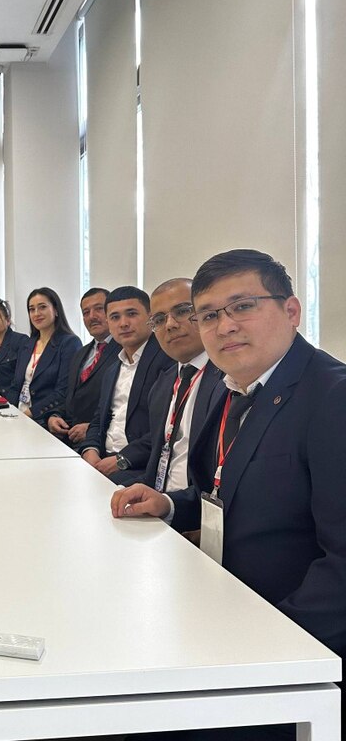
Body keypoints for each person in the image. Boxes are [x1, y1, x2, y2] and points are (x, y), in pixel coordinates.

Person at [112, 250, 346, 740]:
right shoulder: (237, 386)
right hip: (222, 603)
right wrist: (171, 504)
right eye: (210, 315)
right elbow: (234, 489)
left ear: (291, 310)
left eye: (243, 306)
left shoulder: (332, 398)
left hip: (282, 650)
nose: (225, 326)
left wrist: (267, 648)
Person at [79, 286, 173, 483]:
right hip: (103, 458)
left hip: (139, 466)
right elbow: (99, 419)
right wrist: (90, 449)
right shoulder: (112, 369)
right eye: (115, 317)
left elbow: (165, 428)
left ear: (150, 317)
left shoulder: (167, 362)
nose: (123, 323)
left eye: (131, 314)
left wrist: (122, 459)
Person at [140, 278, 224, 497]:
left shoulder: (229, 379)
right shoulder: (162, 384)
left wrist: (171, 505)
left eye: (182, 311)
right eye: (159, 319)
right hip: (160, 500)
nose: (170, 324)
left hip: (198, 507)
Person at [45, 288, 120, 448]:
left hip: (100, 443)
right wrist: (55, 415)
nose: (92, 316)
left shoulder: (124, 352)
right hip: (68, 436)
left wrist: (92, 428)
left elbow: (122, 406)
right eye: (86, 312)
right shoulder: (80, 353)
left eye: (99, 309)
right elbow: (71, 397)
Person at [7, 287, 82, 424]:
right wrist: (8, 410)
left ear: (56, 310)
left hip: (44, 418)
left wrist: (27, 414)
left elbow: (63, 391)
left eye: (42, 307)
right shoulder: (28, 344)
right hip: (18, 414)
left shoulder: (69, 343)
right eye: (32, 309)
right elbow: (15, 385)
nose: (36, 313)